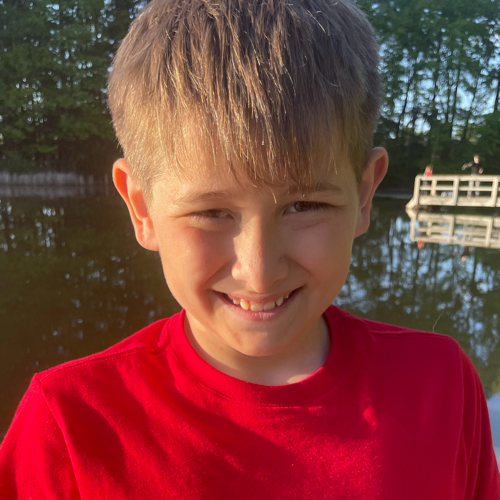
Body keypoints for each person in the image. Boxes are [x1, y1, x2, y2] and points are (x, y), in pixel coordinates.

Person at [1, 1, 499, 498]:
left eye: (305, 205)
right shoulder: (69, 424)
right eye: (212, 212)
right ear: (142, 208)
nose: (259, 272)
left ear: (364, 195)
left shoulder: (441, 386)